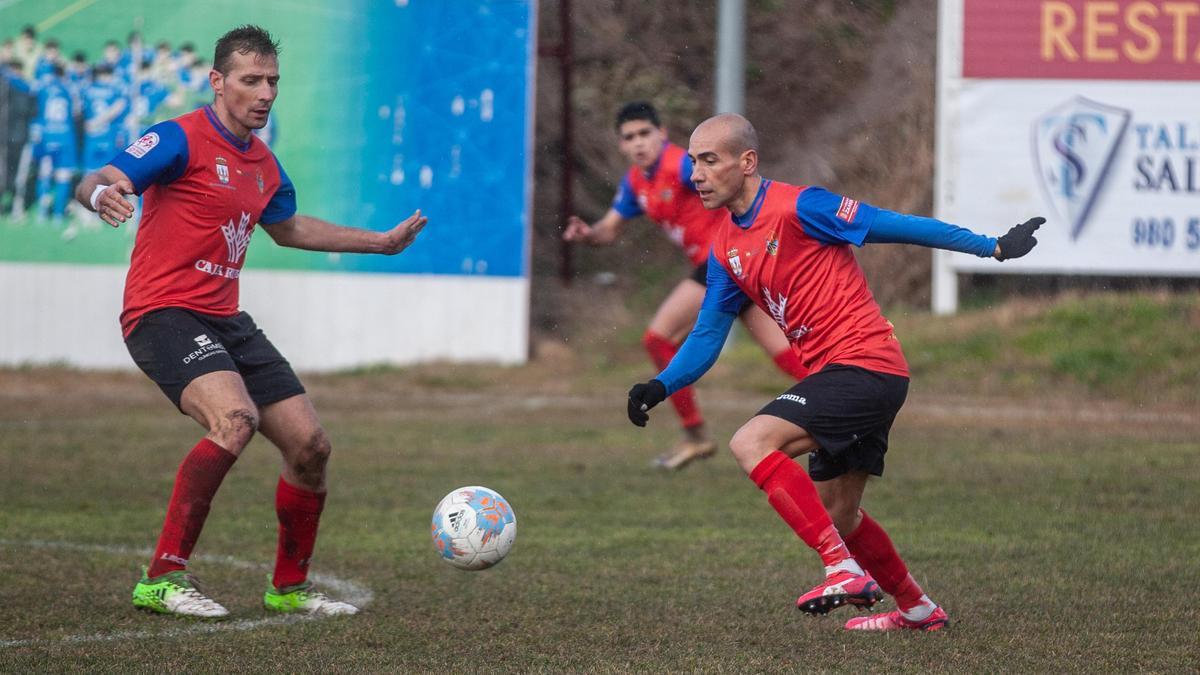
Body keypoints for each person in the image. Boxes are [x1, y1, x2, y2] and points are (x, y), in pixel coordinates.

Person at [626, 113, 1042, 631]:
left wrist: (992, 246)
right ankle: (918, 610)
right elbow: (708, 335)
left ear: (747, 161)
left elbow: (900, 226)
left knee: (752, 442)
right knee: (839, 518)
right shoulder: (725, 247)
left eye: (709, 160)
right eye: (692, 161)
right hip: (860, 377)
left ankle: (839, 569)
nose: (696, 174)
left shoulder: (803, 206)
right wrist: (661, 384)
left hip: (863, 366)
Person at [73, 25, 428, 619]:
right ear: (218, 83)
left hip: (225, 319)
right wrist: (100, 197)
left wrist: (381, 243)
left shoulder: (263, 163)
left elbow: (288, 228)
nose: (264, 93)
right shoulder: (178, 138)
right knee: (234, 419)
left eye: (272, 82)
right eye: (251, 80)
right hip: (161, 313)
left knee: (311, 446)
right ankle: (161, 579)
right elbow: (98, 178)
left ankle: (288, 589)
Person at [565, 101, 808, 470]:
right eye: (629, 137)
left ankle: (696, 436)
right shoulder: (635, 183)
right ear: (621, 145)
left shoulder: (681, 165)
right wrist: (588, 234)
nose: (638, 143)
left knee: (658, 338)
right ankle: (848, 415)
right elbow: (608, 230)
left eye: (645, 133)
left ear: (662, 134)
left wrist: (753, 233)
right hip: (726, 270)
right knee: (788, 356)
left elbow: (731, 188)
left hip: (724, 261)